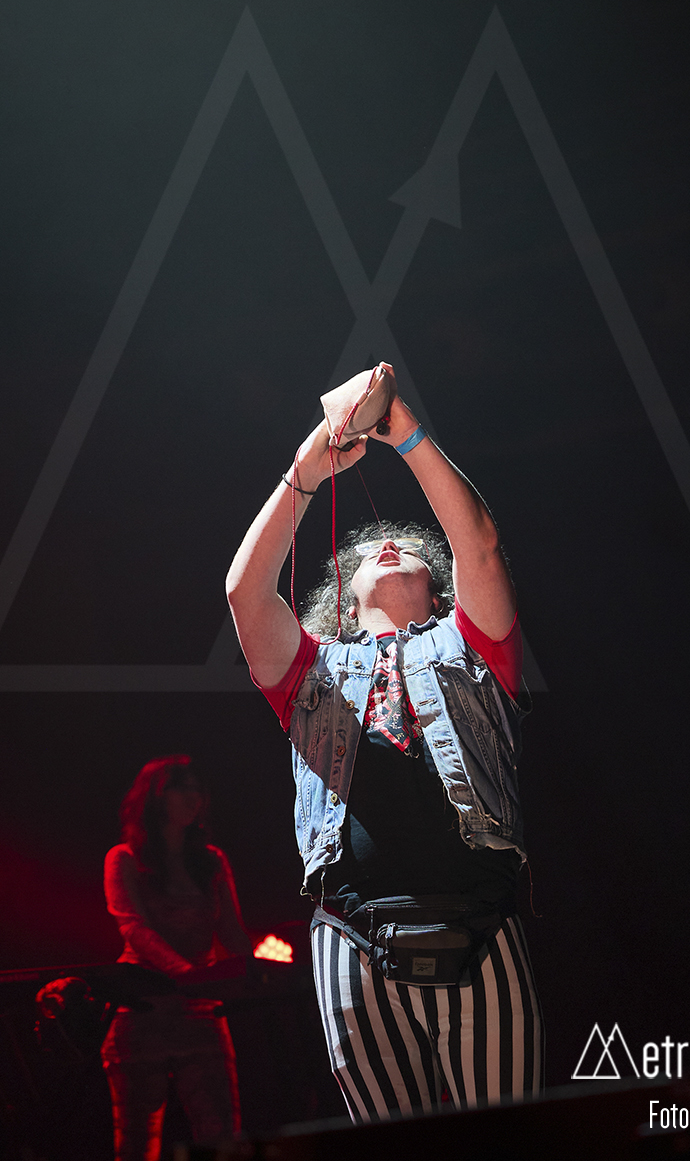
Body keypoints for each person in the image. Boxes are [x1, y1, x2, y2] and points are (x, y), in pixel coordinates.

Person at [226, 364, 542, 1122]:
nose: (390, 545)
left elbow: (480, 545)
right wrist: (307, 469)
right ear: (343, 591)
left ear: (438, 583)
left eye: (407, 545)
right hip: (352, 930)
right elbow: (244, 591)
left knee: (512, 1141)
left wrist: (406, 434)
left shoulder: (472, 643)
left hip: (481, 916)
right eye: (372, 549)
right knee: (386, 1146)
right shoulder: (308, 668)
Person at [100, 755, 250, 1160]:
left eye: (197, 789)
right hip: (143, 1009)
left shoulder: (212, 861)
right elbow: (135, 930)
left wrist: (261, 976)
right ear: (155, 797)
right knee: (136, 1145)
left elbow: (232, 932)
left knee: (222, 1136)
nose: (193, 797)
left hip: (201, 1013)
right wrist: (190, 976)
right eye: (181, 787)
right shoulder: (124, 858)